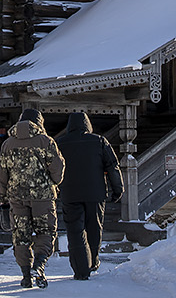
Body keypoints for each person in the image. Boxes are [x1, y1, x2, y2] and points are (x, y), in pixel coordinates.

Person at [0, 107, 64, 289]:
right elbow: (57, 170)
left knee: (20, 235)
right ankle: (39, 266)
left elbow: (2, 173)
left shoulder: (7, 144)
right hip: (42, 197)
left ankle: (26, 275)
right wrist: (53, 183)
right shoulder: (46, 141)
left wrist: (2, 195)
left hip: (17, 197)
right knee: (46, 231)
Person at [54, 111, 123, 281]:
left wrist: (55, 189)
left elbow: (53, 168)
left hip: (70, 193)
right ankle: (92, 262)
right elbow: (113, 166)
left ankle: (81, 269)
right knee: (94, 228)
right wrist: (118, 189)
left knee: (75, 231)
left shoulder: (60, 144)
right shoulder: (99, 141)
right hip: (95, 194)